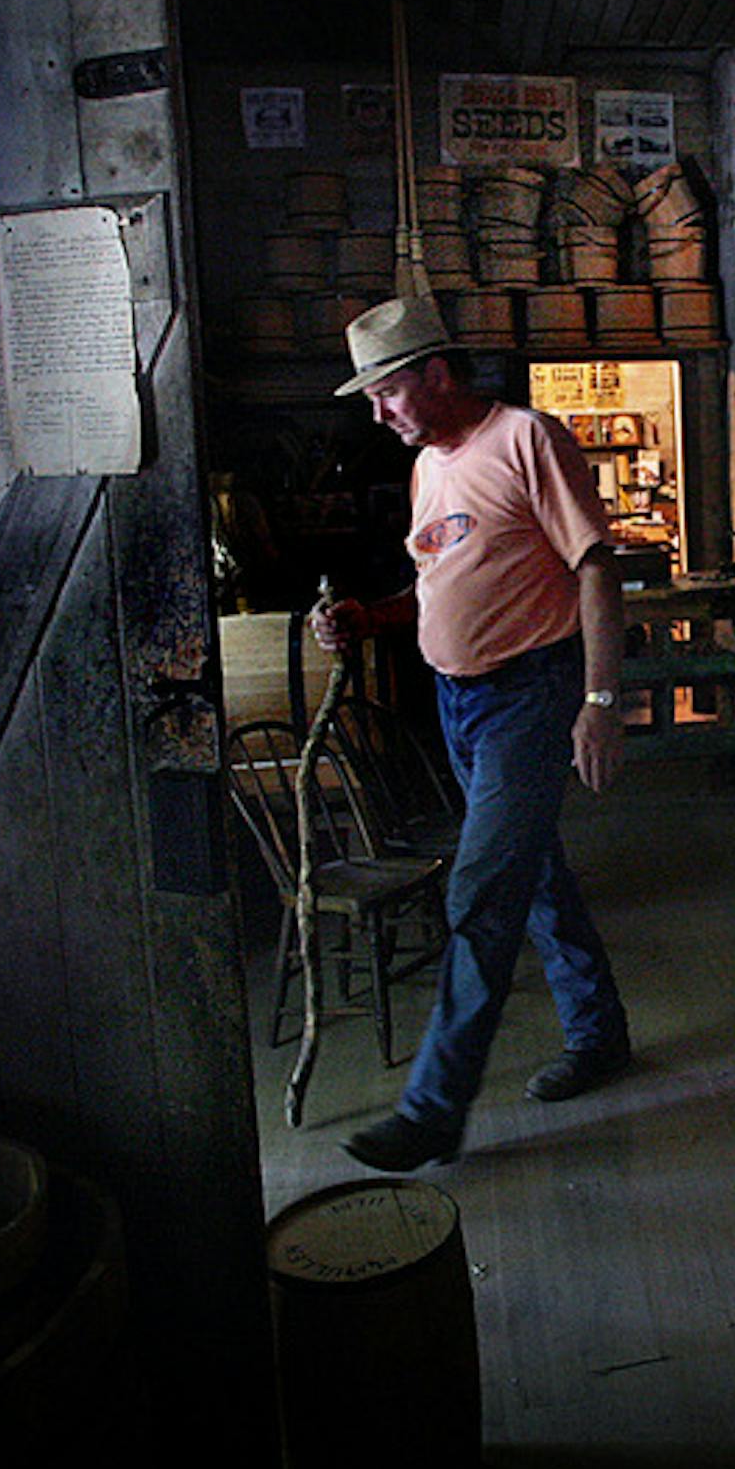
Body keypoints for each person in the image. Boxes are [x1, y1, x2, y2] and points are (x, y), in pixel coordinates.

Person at [313, 296, 633, 1172]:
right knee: (532, 875)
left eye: (386, 394)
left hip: (531, 693)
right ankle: (599, 1035)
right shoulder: (429, 467)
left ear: (437, 374)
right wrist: (370, 617)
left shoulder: (526, 440)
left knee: (482, 892)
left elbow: (597, 570)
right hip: (461, 705)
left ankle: (432, 1110)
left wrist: (598, 703)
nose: (379, 415)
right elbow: (438, 581)